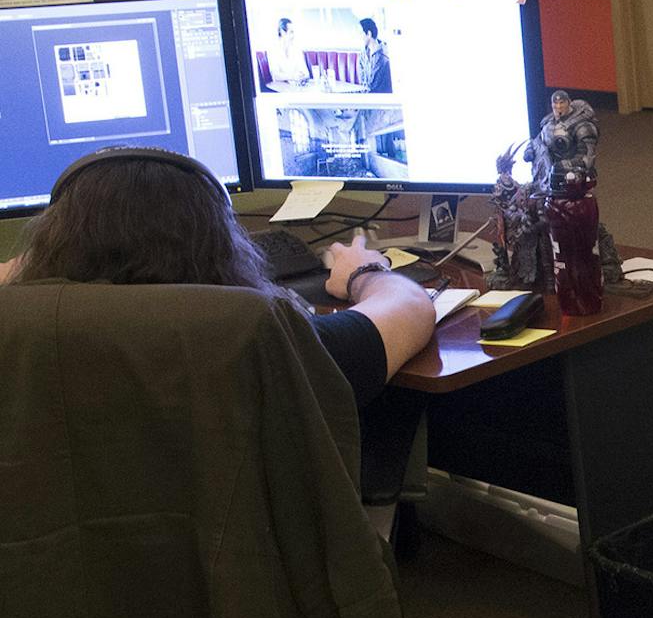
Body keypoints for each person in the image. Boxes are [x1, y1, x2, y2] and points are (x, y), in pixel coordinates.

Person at [1, 148, 436, 476]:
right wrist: (363, 271)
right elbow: (411, 307)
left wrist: (57, 256)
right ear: (225, 247)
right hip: (241, 582)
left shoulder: (21, 331)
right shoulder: (262, 332)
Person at [268, 16, 309, 88]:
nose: (293, 36)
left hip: (297, 88)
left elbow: (306, 73)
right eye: (291, 32)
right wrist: (293, 76)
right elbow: (276, 75)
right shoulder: (273, 51)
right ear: (282, 32)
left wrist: (298, 76)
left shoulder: (296, 49)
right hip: (280, 89)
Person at [359, 18, 393, 95]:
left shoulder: (384, 57)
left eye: (360, 33)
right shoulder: (362, 55)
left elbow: (375, 88)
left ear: (369, 34)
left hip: (380, 102)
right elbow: (363, 82)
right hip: (367, 98)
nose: (359, 36)